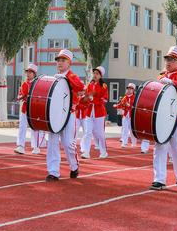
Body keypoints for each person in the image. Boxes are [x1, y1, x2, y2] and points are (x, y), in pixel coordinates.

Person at [150, 46, 177, 190]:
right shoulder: (161, 77)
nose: (168, 62)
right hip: (164, 115)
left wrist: (172, 82)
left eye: (173, 59)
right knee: (160, 145)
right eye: (167, 59)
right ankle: (159, 179)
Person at [46, 49, 84, 181]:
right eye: (58, 60)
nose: (59, 63)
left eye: (63, 60)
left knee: (68, 143)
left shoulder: (72, 76)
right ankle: (53, 172)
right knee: (52, 142)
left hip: (69, 115)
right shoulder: (55, 77)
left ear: (69, 63)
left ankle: (74, 166)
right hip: (55, 115)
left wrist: (66, 78)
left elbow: (80, 87)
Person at [15, 63, 41, 155]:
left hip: (34, 109)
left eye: (30, 72)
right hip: (25, 108)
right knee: (22, 127)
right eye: (27, 72)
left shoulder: (38, 83)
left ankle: (36, 147)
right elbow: (20, 94)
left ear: (34, 74)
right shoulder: (24, 84)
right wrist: (20, 97)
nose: (28, 74)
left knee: (34, 128)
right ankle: (20, 146)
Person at [83, 66, 109, 159]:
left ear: (100, 76)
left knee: (100, 134)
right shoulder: (89, 85)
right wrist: (85, 98)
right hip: (89, 112)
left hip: (99, 113)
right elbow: (86, 97)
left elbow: (105, 99)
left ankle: (103, 152)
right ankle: (86, 152)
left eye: (97, 74)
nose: (94, 75)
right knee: (87, 132)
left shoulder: (104, 86)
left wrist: (93, 99)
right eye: (94, 73)